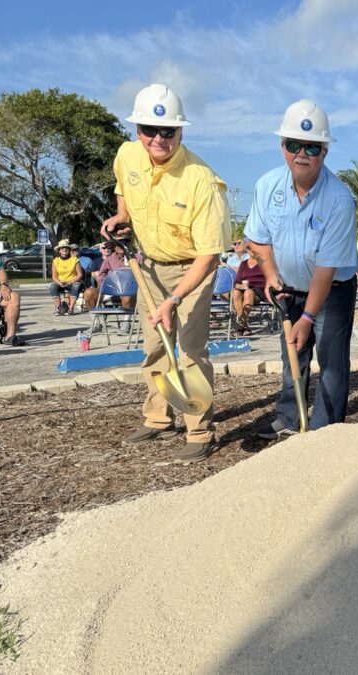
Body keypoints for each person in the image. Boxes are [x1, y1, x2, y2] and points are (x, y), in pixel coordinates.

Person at [101, 83, 231, 464]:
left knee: (190, 350)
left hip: (194, 269)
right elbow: (123, 187)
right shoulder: (127, 154)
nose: (158, 139)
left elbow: (209, 255)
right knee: (155, 346)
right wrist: (122, 217)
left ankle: (200, 430)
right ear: (137, 130)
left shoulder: (202, 180)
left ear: (181, 131)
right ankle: (158, 417)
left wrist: (174, 300)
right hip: (150, 267)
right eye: (148, 130)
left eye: (168, 131)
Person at [245, 99, 358, 438]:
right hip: (288, 290)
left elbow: (326, 268)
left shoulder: (339, 199)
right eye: (293, 145)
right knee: (291, 356)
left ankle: (326, 430)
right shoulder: (267, 186)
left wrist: (308, 318)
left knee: (331, 362)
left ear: (324, 151)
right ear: (282, 147)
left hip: (332, 291)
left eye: (311, 147)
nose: (302, 154)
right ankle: (289, 419)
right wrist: (270, 276)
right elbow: (258, 239)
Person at [231, 240, 266, 335]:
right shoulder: (244, 263)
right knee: (235, 292)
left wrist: (249, 286)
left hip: (260, 289)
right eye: (249, 249)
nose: (251, 251)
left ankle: (241, 325)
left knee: (248, 292)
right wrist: (240, 286)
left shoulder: (264, 263)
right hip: (245, 289)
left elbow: (269, 279)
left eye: (253, 249)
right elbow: (237, 281)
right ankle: (245, 326)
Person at [48, 239, 83, 315]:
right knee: (52, 286)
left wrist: (70, 282)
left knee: (76, 286)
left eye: (66, 248)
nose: (64, 249)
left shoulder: (75, 259)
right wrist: (59, 282)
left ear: (69, 250)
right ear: (59, 250)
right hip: (61, 282)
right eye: (62, 248)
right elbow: (54, 276)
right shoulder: (55, 261)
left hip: (72, 282)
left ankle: (71, 308)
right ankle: (58, 308)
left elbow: (80, 275)